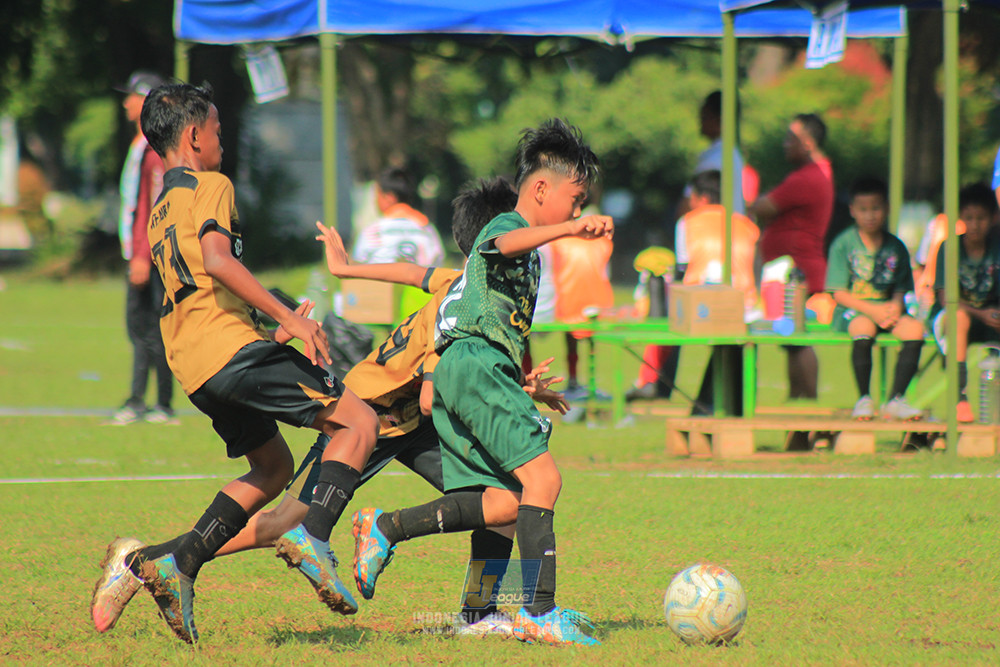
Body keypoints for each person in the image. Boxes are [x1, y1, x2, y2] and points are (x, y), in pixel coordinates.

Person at [90, 82, 379, 644]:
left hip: (195, 364)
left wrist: (266, 327)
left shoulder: (162, 208)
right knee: (360, 422)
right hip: (228, 350)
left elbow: (200, 284)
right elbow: (219, 261)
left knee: (272, 469)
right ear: (194, 135)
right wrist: (291, 320)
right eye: (218, 130)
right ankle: (313, 534)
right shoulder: (212, 184)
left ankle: (161, 563)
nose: (222, 140)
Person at [351, 119, 611, 647]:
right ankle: (538, 610)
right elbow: (503, 245)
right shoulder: (504, 227)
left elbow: (494, 322)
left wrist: (522, 383)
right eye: (575, 200)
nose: (578, 212)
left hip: (473, 370)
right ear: (542, 188)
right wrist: (566, 229)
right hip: (473, 367)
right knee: (545, 482)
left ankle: (454, 590)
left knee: (505, 501)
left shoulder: (530, 256)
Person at [751, 113, 834, 403]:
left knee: (798, 339)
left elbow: (763, 206)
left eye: (791, 138)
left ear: (808, 143)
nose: (785, 144)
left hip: (799, 272)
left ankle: (808, 401)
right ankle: (797, 399)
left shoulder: (808, 177)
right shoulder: (817, 173)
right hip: (795, 270)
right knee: (792, 339)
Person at [826, 177, 924, 420]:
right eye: (863, 209)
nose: (870, 215)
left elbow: (902, 288)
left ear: (887, 208)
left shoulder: (896, 246)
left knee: (914, 330)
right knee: (863, 326)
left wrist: (895, 307)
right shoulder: (843, 244)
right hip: (854, 311)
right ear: (852, 211)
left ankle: (896, 399)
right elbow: (838, 292)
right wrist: (872, 310)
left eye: (876, 208)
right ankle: (864, 399)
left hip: (888, 312)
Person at [110, 70, 173, 425]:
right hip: (136, 252)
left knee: (147, 328)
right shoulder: (138, 145)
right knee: (141, 328)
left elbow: (151, 206)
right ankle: (147, 399)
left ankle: (151, 401)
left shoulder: (152, 148)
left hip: (145, 254)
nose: (126, 102)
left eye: (132, 96)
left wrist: (141, 255)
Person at [675, 170, 759, 415]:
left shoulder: (687, 221)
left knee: (725, 345)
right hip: (745, 304)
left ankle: (706, 407)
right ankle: (724, 407)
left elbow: (682, 265)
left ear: (701, 198)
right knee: (735, 346)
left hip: (701, 303)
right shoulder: (746, 224)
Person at [930, 182, 1000, 422]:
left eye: (981, 218)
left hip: (991, 318)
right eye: (969, 218)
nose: (975, 225)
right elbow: (946, 298)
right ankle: (960, 398)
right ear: (960, 217)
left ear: (993, 218)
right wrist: (981, 314)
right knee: (959, 318)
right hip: (955, 318)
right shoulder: (948, 248)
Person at [352, 166, 445, 319]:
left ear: (389, 197)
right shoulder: (427, 230)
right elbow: (437, 265)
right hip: (419, 311)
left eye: (377, 195)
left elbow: (358, 267)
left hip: (377, 311)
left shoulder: (372, 231)